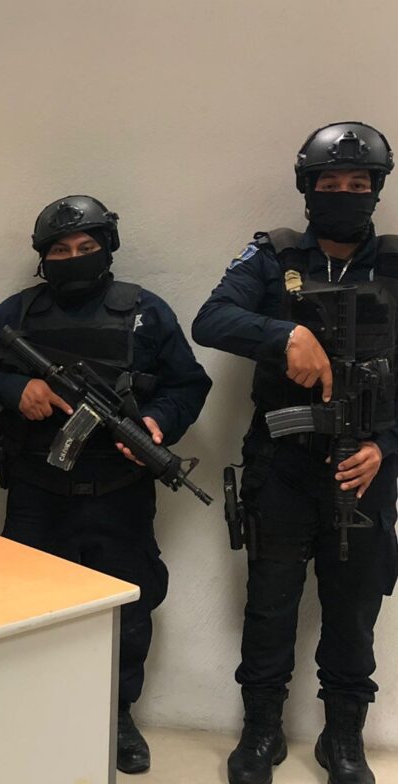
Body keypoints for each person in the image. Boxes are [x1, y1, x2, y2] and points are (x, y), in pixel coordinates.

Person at [0, 195, 211, 775]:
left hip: (120, 492)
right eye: (61, 250)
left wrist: (158, 423)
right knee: (28, 607)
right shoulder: (17, 314)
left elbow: (189, 384)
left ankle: (117, 716)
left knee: (130, 608)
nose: (74, 258)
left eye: (86, 247)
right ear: (43, 259)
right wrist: (14, 392)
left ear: (107, 249)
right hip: (36, 492)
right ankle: (33, 711)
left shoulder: (146, 313)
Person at [194, 122, 398, 784]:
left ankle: (343, 739)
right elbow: (210, 319)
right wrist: (282, 334)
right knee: (270, 605)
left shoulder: (395, 264)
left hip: (366, 470)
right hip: (282, 467)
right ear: (307, 188)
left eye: (358, 183)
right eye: (330, 182)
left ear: (376, 190)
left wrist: (386, 445)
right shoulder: (271, 256)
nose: (344, 193)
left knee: (353, 611)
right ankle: (260, 733)